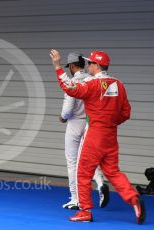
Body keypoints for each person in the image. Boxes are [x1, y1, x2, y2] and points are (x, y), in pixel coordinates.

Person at [50, 49, 145, 224]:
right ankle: (133, 199)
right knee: (113, 172)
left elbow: (69, 88)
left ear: (97, 66)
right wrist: (110, 122)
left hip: (94, 133)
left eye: (91, 63)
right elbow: (126, 113)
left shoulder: (92, 84)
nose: (88, 65)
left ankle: (85, 211)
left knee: (83, 172)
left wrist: (57, 66)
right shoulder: (118, 84)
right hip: (111, 134)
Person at [60, 52, 109, 210]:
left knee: (73, 163)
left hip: (74, 123)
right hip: (90, 124)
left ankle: (76, 198)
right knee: (89, 160)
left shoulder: (73, 81)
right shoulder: (93, 80)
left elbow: (67, 110)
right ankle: (101, 184)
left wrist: (62, 117)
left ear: (73, 66)